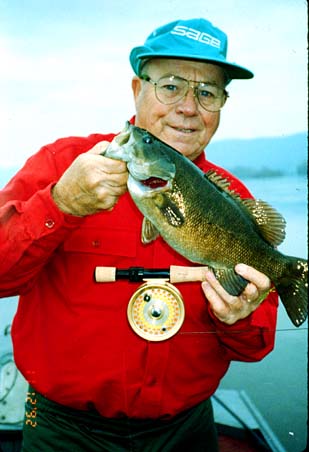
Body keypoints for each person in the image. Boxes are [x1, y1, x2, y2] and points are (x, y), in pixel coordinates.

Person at [0, 18, 278, 452]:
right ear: (137, 89)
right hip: (64, 433)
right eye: (171, 86)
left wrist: (239, 317)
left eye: (207, 93)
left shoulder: (233, 199)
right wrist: (61, 204)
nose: (188, 107)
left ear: (222, 105)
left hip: (184, 431)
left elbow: (257, 344)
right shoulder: (61, 166)